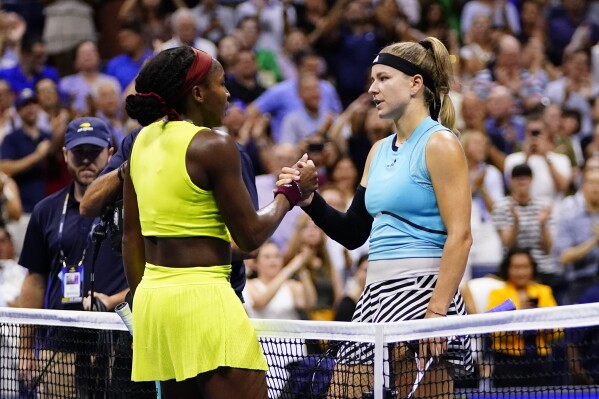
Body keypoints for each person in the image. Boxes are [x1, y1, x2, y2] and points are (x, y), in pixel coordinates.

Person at [280, 36, 473, 398]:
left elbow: (460, 235)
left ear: (416, 84)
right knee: (342, 391)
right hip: (375, 295)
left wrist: (437, 313)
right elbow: (354, 232)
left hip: (423, 292)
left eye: (383, 78)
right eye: (373, 79)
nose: (373, 88)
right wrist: (309, 199)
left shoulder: (441, 144)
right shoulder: (377, 151)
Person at [122, 46, 318, 398]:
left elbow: (131, 237)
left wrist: (143, 301)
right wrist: (289, 194)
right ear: (197, 93)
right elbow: (251, 236)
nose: (228, 94)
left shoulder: (141, 142)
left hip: (153, 305)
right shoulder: (213, 146)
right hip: (204, 302)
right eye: (221, 83)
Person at [17, 117, 130, 398]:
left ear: (111, 153)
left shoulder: (133, 208)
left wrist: (111, 301)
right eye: (79, 153)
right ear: (66, 155)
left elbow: (153, 273)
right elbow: (35, 279)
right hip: (59, 350)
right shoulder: (46, 210)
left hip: (118, 347)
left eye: (94, 152)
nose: (86, 161)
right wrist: (25, 350)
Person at [487, 247, 561, 388]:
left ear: (532, 269)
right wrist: (520, 316)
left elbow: (558, 330)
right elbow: (493, 332)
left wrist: (539, 320)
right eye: (516, 267)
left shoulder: (544, 291)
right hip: (507, 361)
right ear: (508, 269)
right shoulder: (498, 293)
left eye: (525, 267)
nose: (521, 272)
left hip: (540, 361)